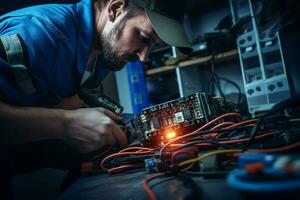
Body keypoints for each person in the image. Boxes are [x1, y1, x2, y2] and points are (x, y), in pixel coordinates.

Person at [0, 0, 191, 198]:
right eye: (142, 37)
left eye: (152, 45)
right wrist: (65, 124)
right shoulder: (41, 33)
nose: (143, 57)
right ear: (116, 9)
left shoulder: (102, 54)